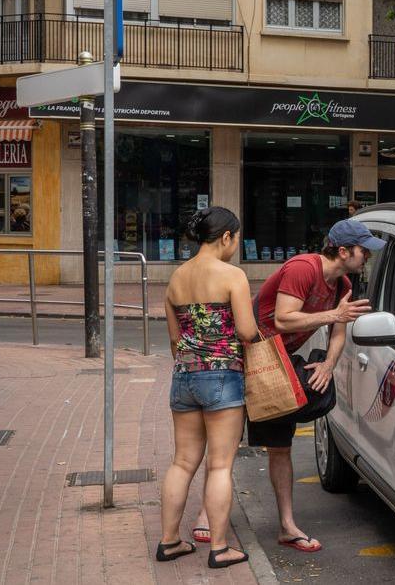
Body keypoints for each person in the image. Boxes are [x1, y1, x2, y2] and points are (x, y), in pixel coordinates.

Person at [200, 218, 380, 553]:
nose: (366, 257)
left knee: (280, 447)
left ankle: (287, 526)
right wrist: (332, 317)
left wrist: (328, 364)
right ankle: (204, 517)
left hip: (277, 367)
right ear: (343, 251)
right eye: (363, 251)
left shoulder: (341, 285)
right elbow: (284, 318)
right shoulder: (303, 268)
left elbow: (340, 331)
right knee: (225, 443)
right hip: (246, 359)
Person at [157, 207, 257, 569]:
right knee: (219, 466)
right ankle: (219, 547)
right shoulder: (233, 276)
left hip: (183, 376)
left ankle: (169, 542)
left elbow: (173, 338)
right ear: (226, 237)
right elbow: (246, 332)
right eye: (234, 240)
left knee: (182, 463)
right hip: (222, 377)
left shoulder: (176, 278)